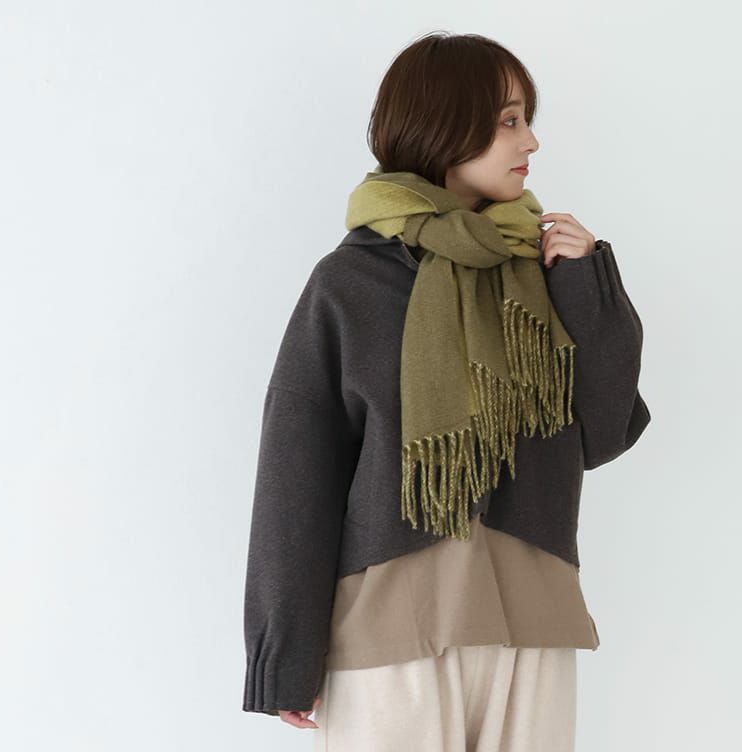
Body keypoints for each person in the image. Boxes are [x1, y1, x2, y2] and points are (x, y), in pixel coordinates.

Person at [242, 30, 651, 751]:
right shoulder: (350, 284)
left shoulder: (545, 273)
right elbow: (296, 474)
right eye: (509, 120)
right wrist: (287, 654)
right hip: (389, 635)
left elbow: (606, 430)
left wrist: (588, 286)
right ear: (444, 126)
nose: (530, 141)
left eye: (525, 120)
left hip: (532, 625)